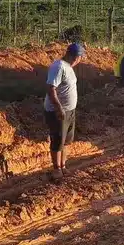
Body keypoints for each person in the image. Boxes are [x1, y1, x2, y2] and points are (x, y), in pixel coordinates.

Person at [44, 42, 86, 181]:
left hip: (69, 110)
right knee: (57, 140)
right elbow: (51, 88)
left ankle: (62, 166)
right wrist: (59, 107)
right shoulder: (59, 66)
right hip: (58, 111)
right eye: (79, 57)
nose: (79, 60)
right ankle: (56, 170)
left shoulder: (68, 67)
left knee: (65, 141)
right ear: (73, 56)